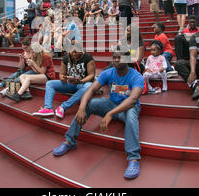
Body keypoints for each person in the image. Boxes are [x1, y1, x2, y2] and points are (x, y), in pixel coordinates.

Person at [52, 48, 144, 180]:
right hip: (112, 105)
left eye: (120, 57)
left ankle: (134, 159)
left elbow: (132, 100)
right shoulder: (108, 73)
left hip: (128, 108)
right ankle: (69, 141)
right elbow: (91, 89)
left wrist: (110, 114)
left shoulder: (136, 76)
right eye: (114, 57)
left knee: (131, 115)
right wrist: (82, 107)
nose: (116, 60)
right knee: (90, 104)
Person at [33, 41, 96, 119]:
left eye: (76, 52)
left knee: (89, 86)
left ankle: (63, 107)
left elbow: (91, 74)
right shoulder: (66, 58)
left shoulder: (88, 57)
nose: (74, 54)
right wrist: (63, 78)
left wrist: (81, 81)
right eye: (72, 52)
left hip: (83, 83)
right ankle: (47, 108)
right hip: (71, 83)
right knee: (50, 83)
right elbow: (61, 74)